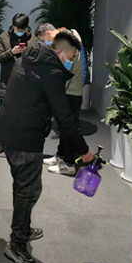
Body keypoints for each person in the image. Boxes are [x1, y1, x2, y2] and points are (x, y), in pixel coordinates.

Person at [0, 30, 94, 263]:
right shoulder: (50, 72)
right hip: (25, 139)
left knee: (23, 187)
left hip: (10, 132)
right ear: (60, 51)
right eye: (71, 57)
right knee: (28, 191)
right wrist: (84, 151)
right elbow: (65, 118)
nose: (71, 62)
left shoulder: (30, 57)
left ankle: (23, 229)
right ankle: (17, 245)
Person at [0, 13, 36, 155]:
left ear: (26, 27)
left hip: (26, 83)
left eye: (22, 29)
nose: (19, 31)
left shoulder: (33, 39)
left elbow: (37, 58)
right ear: (12, 26)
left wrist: (26, 52)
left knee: (24, 116)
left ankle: (19, 144)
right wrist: (11, 52)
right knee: (4, 115)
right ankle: (1, 143)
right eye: (17, 29)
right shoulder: (3, 37)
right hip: (7, 81)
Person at [45, 29, 86, 173]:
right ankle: (60, 157)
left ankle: (68, 164)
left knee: (69, 129)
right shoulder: (75, 47)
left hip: (71, 94)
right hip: (70, 93)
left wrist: (57, 93)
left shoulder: (72, 51)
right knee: (64, 128)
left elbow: (66, 76)